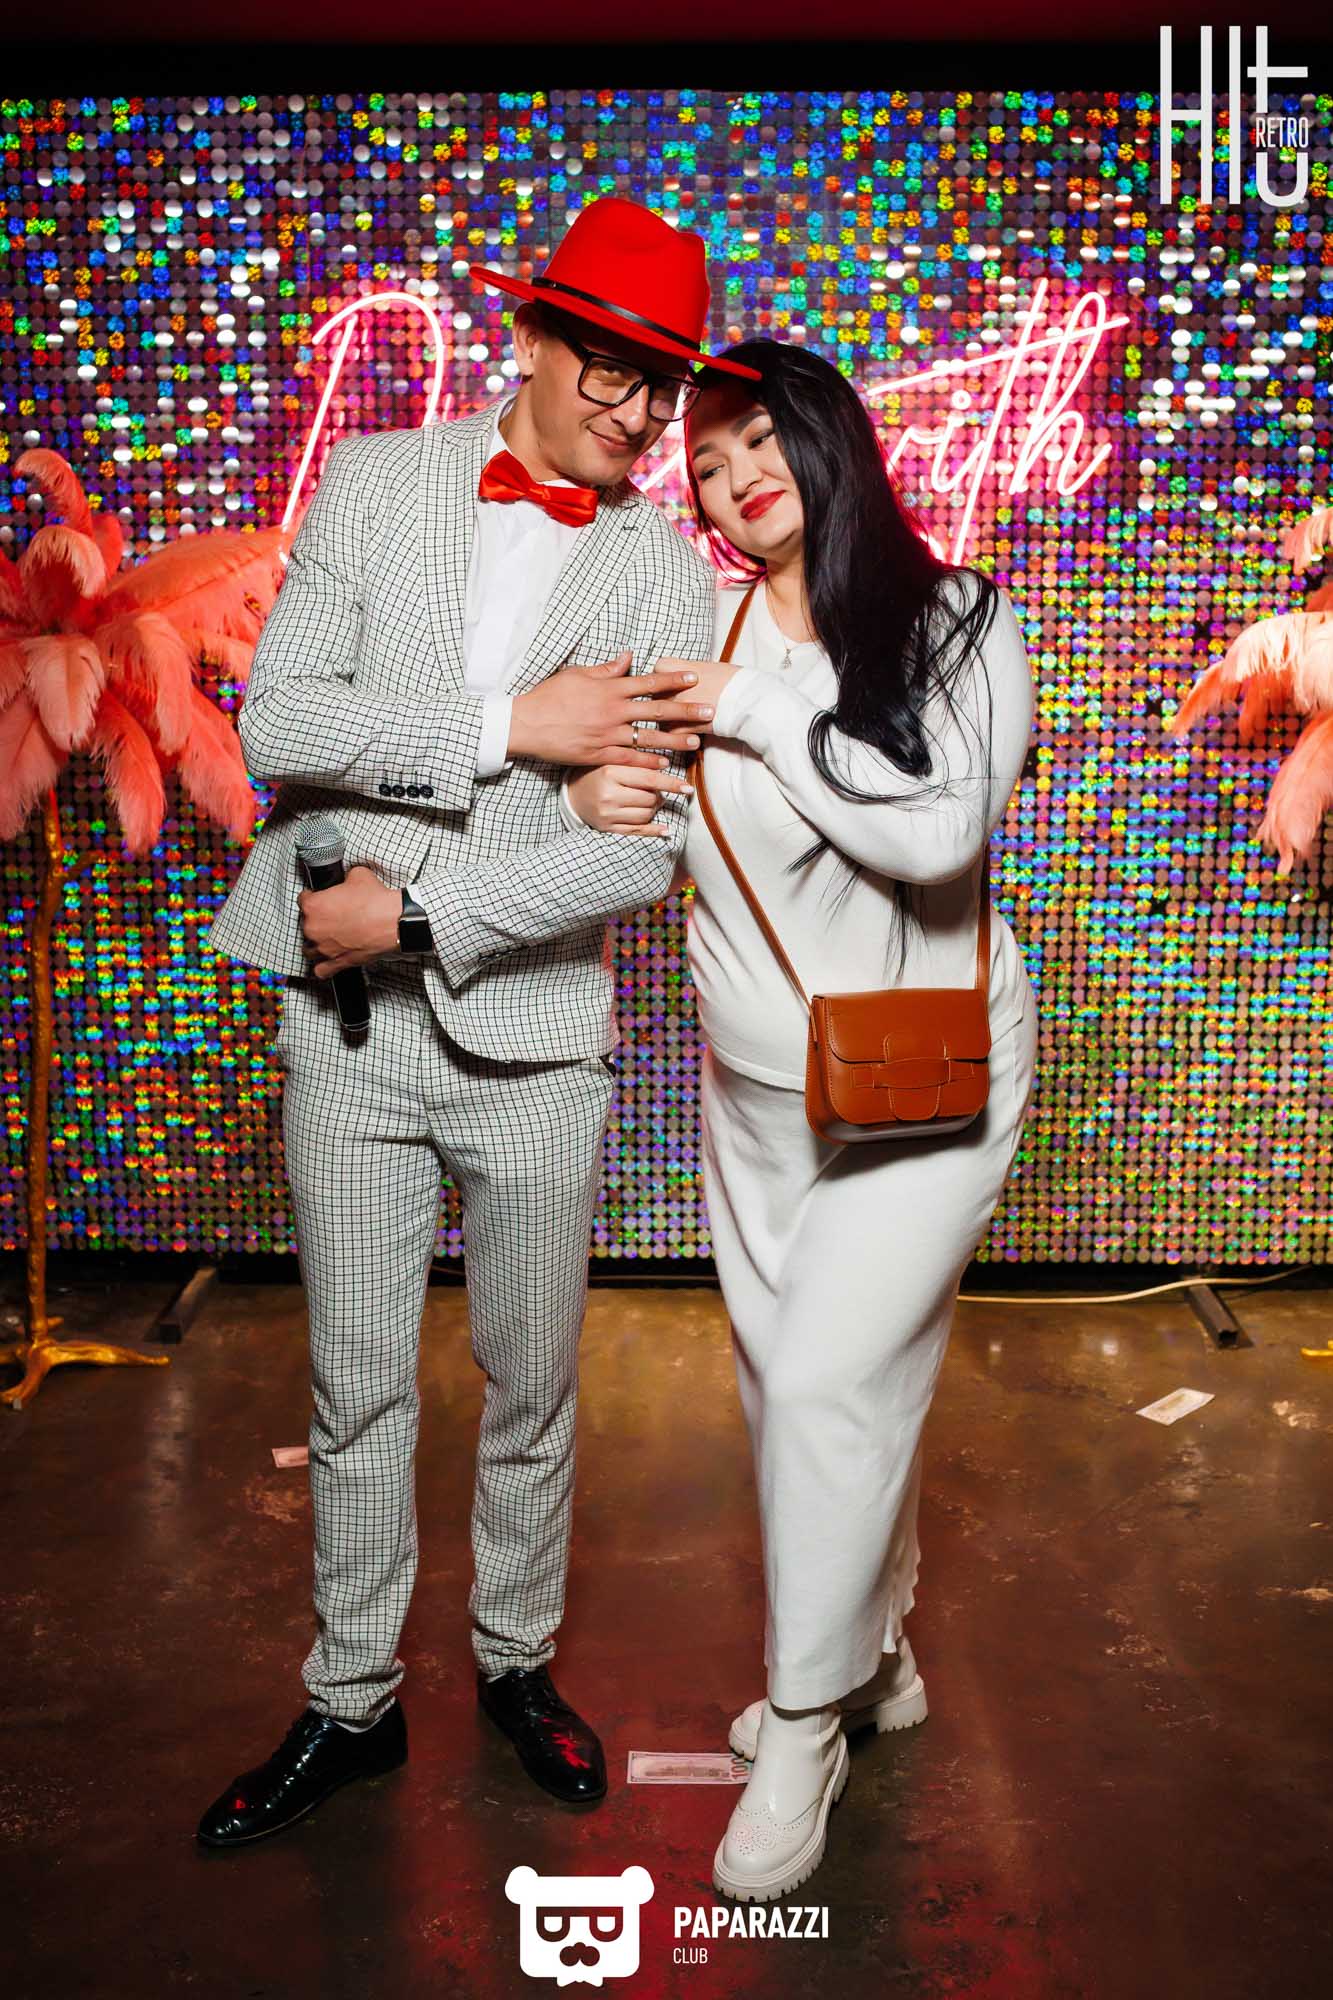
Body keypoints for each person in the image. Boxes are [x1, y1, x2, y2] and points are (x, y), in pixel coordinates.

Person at [195, 196, 763, 1847]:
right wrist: (521, 729)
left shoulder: (667, 571)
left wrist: (417, 908)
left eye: (664, 384)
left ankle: (516, 1664)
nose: (640, 414)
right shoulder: (377, 481)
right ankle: (351, 1701)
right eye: (613, 370)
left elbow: (642, 851)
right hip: (347, 1039)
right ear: (527, 337)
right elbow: (281, 722)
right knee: (355, 1389)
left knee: (531, 1387)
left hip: (535, 1045)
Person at [558, 338, 1039, 1901]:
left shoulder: (956, 620)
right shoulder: (693, 637)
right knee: (801, 1395)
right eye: (702, 463)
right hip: (757, 1091)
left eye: (756, 438)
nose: (729, 477)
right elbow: (660, 842)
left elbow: (938, 830)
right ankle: (877, 1655)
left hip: (927, 1079)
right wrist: (591, 799)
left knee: (828, 1381)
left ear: (826, 437)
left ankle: (805, 1726)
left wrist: (759, 709)